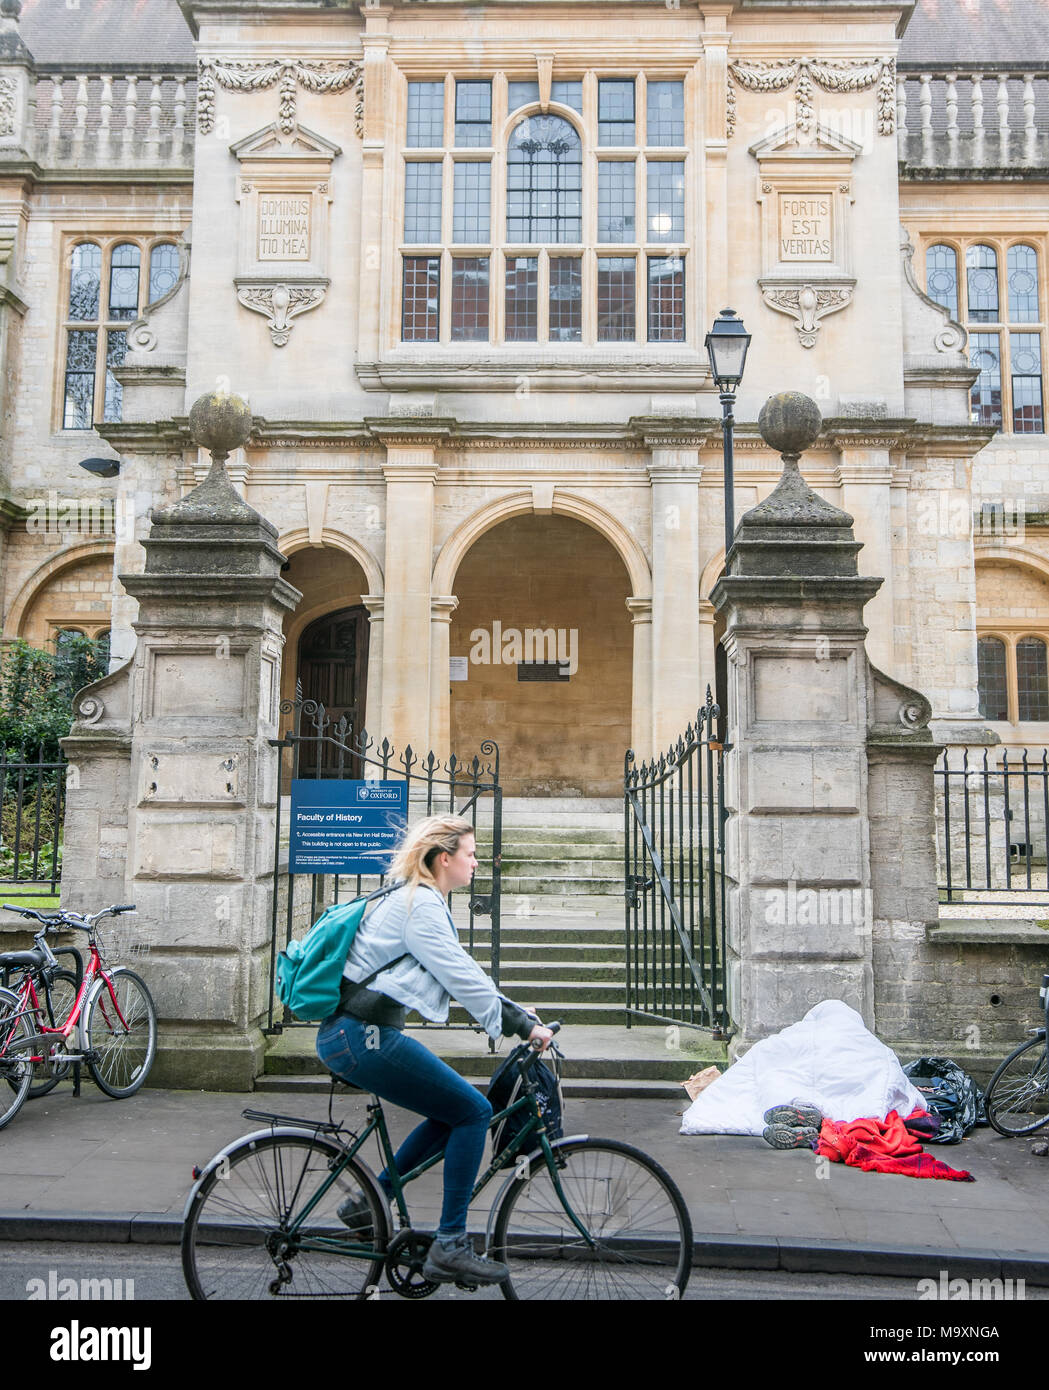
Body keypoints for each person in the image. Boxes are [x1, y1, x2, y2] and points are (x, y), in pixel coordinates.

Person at [315, 813, 554, 1287]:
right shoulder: (419, 905)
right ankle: (450, 1243)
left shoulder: (418, 899)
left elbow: (459, 969)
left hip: (359, 1034)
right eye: (470, 854)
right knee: (472, 1111)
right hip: (362, 1037)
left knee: (453, 1113)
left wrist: (514, 1012)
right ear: (445, 859)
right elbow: (459, 974)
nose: (477, 862)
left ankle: (371, 1200)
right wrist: (522, 1024)